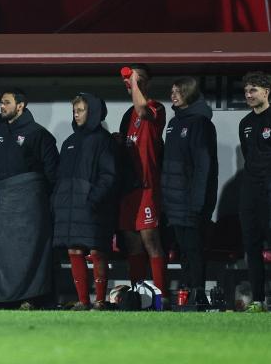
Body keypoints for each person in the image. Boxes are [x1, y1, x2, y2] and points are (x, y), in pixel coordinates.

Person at [0, 89, 58, 310]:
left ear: (21, 105)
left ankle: (30, 298)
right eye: (1, 102)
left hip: (31, 200)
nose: (2, 106)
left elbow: (52, 174)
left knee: (30, 249)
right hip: (6, 198)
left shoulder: (38, 134)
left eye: (6, 102)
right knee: (0, 249)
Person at [52, 93, 117, 311]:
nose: (76, 114)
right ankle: (83, 300)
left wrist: (94, 198)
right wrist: (56, 201)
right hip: (69, 209)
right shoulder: (69, 142)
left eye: (80, 110)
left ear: (93, 112)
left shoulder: (103, 140)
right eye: (74, 110)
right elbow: (60, 177)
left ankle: (99, 300)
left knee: (97, 251)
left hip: (93, 207)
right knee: (74, 252)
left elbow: (109, 175)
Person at [161, 77, 218, 308]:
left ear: (190, 94)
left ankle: (199, 293)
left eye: (179, 91)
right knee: (183, 249)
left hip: (191, 201)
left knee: (194, 248)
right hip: (173, 200)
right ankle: (187, 292)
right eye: (172, 91)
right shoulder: (174, 123)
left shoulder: (201, 123)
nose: (174, 95)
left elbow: (203, 166)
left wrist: (198, 202)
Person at [117, 64, 167, 299]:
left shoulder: (156, 107)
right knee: (132, 242)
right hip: (129, 188)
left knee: (150, 240)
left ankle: (161, 295)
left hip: (148, 186)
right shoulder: (128, 114)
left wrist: (135, 80)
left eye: (137, 80)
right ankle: (138, 295)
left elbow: (142, 108)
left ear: (146, 82)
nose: (130, 83)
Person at [237, 71, 271, 312]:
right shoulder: (245, 123)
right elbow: (249, 158)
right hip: (251, 192)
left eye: (253, 90)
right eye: (246, 91)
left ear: (267, 92)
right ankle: (258, 300)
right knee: (252, 247)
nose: (248, 95)